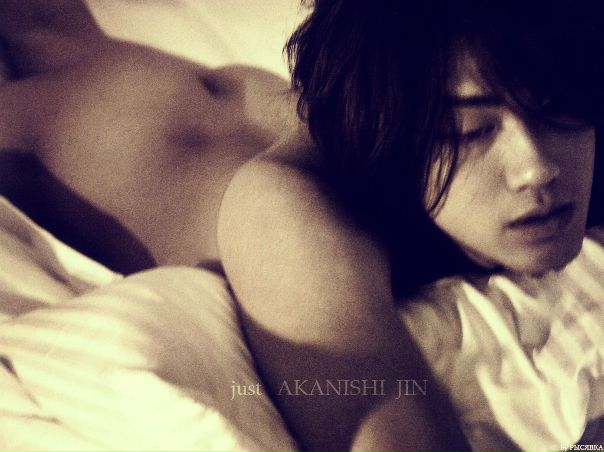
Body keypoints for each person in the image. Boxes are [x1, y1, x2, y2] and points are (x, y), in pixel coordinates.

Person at [1, 0, 602, 451]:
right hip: (66, 130)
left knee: (48, 31)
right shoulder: (291, 213)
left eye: (556, 110)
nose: (536, 167)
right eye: (465, 131)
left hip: (159, 92)